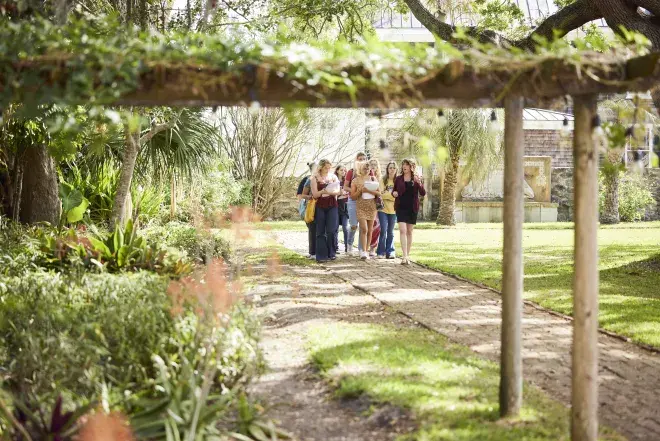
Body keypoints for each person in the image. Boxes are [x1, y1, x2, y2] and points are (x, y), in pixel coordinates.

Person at [393, 158, 425, 265]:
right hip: (401, 207)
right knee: (403, 230)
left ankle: (408, 255)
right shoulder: (398, 179)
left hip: (412, 208)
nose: (404, 166)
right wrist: (394, 194)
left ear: (412, 166)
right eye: (403, 164)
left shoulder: (416, 179)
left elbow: (423, 193)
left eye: (407, 164)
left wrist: (420, 183)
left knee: (409, 231)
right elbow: (394, 191)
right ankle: (404, 255)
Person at [311, 159, 341, 262]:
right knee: (320, 231)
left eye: (329, 167)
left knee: (331, 230)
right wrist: (323, 191)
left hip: (332, 205)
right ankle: (321, 255)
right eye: (326, 167)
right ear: (321, 167)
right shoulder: (314, 178)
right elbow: (315, 194)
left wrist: (331, 192)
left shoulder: (333, 177)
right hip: (320, 205)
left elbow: (338, 192)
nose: (328, 169)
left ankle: (331, 253)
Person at [350, 160, 380, 260]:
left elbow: (379, 193)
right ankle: (362, 250)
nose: (366, 170)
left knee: (370, 230)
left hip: (372, 207)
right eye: (364, 168)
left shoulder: (373, 178)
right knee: (364, 229)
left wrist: (368, 190)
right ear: (360, 169)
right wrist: (360, 191)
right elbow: (353, 196)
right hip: (360, 207)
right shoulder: (355, 180)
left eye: (368, 168)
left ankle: (366, 251)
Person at [343, 152, 368, 255]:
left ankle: (361, 249)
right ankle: (349, 245)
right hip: (353, 200)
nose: (361, 160)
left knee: (363, 226)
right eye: (359, 159)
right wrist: (354, 191)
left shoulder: (368, 171)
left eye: (363, 159)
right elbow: (345, 187)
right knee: (353, 225)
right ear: (356, 160)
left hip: (364, 201)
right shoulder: (351, 172)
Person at [377, 161, 397, 259]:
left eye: (394, 168)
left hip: (394, 210)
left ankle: (390, 251)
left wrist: (387, 195)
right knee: (383, 230)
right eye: (390, 168)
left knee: (391, 231)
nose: (392, 169)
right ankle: (380, 251)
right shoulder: (383, 179)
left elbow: (399, 196)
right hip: (383, 209)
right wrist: (392, 195)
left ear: (396, 169)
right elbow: (381, 194)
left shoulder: (398, 181)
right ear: (387, 169)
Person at [297, 162, 317, 259]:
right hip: (309, 207)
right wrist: (310, 197)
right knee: (312, 229)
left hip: (322, 207)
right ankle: (312, 252)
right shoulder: (306, 179)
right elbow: (300, 195)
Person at [367, 158, 382, 258]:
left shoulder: (381, 178)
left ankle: (373, 247)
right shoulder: (367, 177)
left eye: (375, 164)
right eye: (371, 164)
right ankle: (365, 247)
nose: (373, 166)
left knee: (377, 226)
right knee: (368, 227)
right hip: (367, 203)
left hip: (379, 205)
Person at [334, 165, 350, 254]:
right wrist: (340, 194)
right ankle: (335, 247)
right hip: (336, 206)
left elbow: (348, 193)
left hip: (345, 207)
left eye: (344, 170)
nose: (343, 171)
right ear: (337, 171)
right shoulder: (333, 180)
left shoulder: (347, 182)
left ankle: (347, 247)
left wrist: (342, 194)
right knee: (335, 227)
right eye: (341, 170)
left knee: (345, 227)